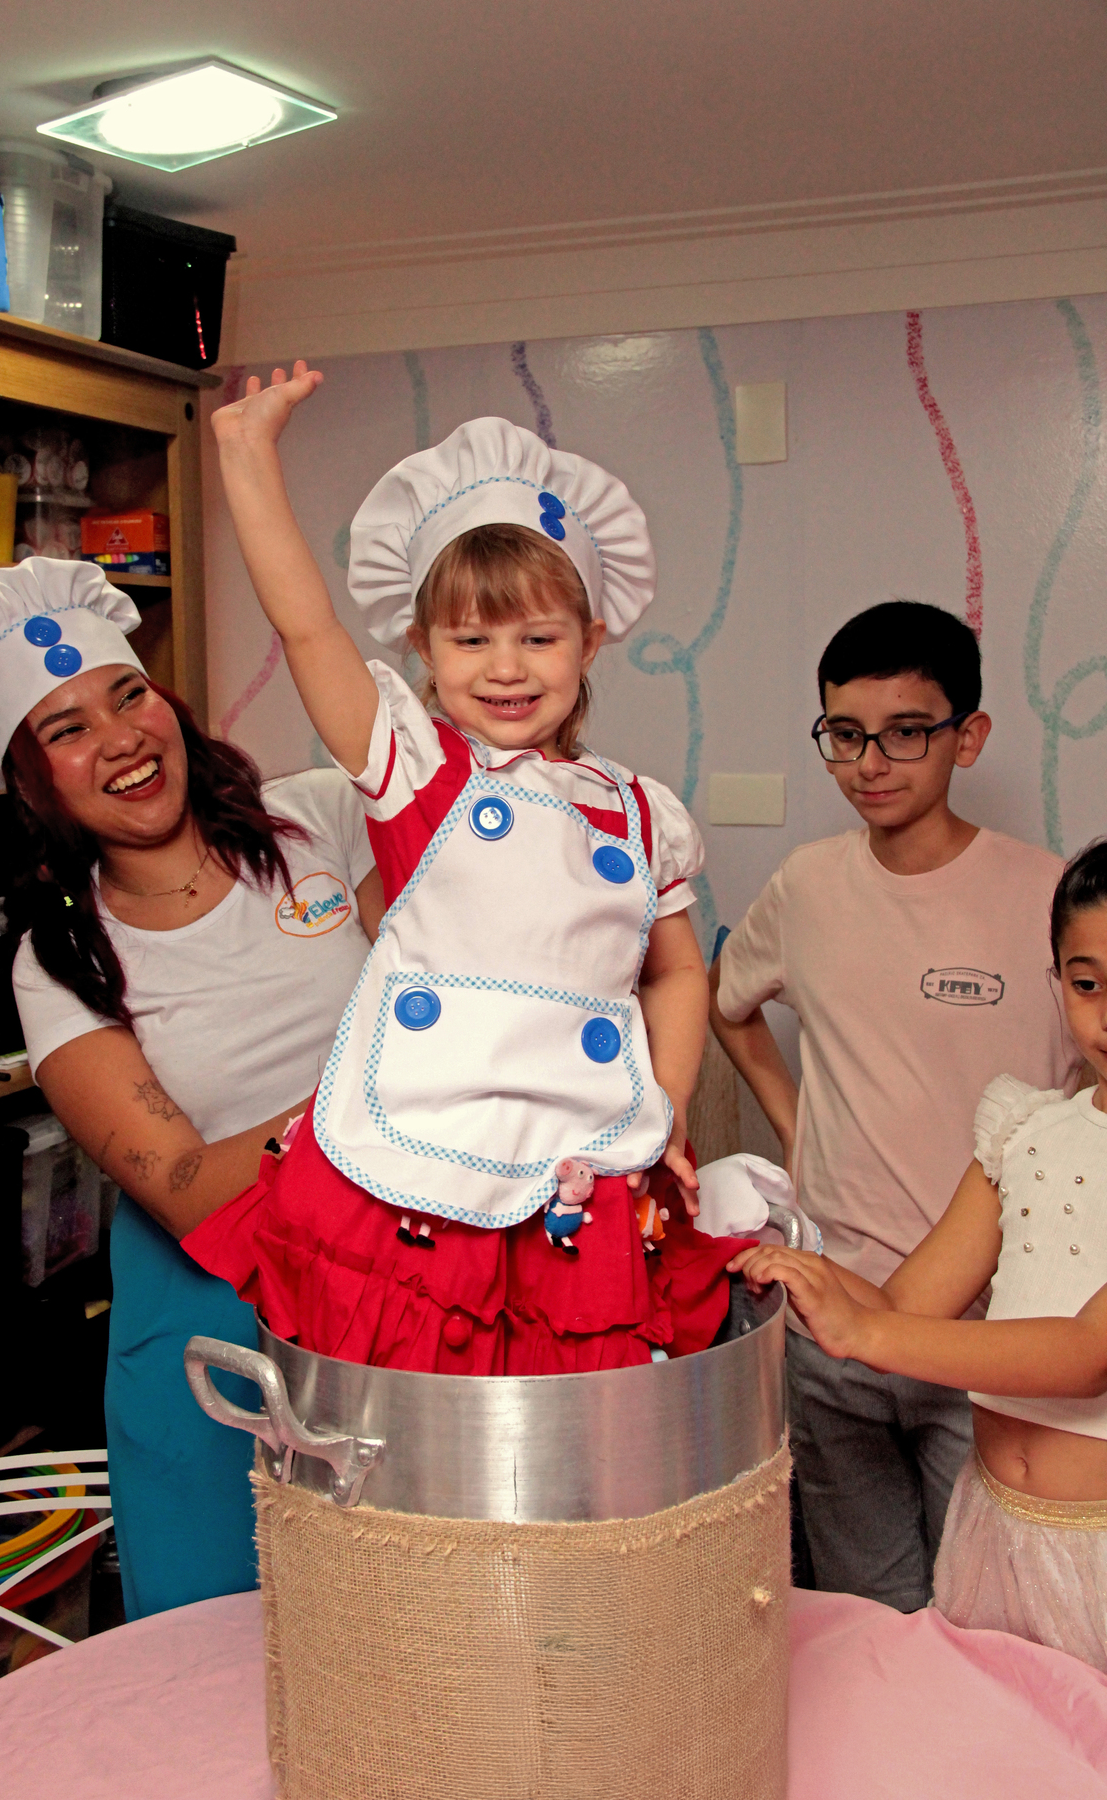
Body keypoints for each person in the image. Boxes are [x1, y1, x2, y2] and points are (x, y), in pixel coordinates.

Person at [186, 373, 741, 1373]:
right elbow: (308, 627)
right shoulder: (415, 772)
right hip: (420, 1151)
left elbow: (677, 970)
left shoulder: (640, 810)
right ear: (424, 651)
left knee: (573, 1427)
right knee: (421, 1431)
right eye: (471, 639)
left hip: (582, 1159)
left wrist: (662, 1109)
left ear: (591, 639)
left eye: (539, 636)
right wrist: (246, 456)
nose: (507, 666)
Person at [0, 558, 383, 1619]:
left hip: (390, 1272)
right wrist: (389, 1082)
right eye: (66, 728)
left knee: (398, 1609)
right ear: (32, 785)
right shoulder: (61, 960)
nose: (121, 735)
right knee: (218, 1635)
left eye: (130, 695)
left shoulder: (315, 820)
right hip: (210, 1313)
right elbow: (184, 1184)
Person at [710, 600, 1082, 1610]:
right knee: (860, 1616)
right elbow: (726, 1004)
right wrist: (795, 1126)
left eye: (906, 733)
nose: (871, 763)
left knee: (988, 1615)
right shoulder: (807, 887)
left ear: (969, 736)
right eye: (844, 734)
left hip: (992, 1335)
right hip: (832, 1315)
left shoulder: (1047, 897)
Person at [730, 836, 1107, 1671]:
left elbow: (1085, 1355)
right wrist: (802, 1267)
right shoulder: (1026, 1130)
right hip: (995, 1527)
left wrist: (867, 1336)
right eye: (1087, 984)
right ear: (1056, 984)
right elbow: (905, 1305)